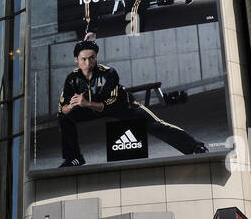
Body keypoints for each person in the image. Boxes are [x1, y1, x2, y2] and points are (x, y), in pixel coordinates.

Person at [57, 41, 207, 167]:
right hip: (88, 107)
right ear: (76, 59)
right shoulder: (72, 79)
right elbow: (62, 108)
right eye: (83, 59)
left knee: (154, 124)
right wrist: (70, 107)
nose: (88, 63)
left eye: (92, 58)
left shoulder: (108, 73)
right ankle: (73, 158)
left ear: (96, 58)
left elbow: (108, 105)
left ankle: (194, 147)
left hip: (121, 105)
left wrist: (86, 103)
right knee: (64, 117)